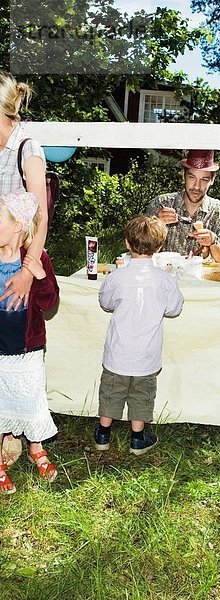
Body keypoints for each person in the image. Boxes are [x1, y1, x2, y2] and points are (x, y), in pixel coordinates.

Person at [94, 215, 184, 455]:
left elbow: (105, 302)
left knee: (111, 394)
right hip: (146, 357)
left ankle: (103, 434)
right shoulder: (165, 280)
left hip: (117, 354)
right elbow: (175, 309)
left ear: (127, 243)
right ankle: (137, 438)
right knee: (141, 397)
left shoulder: (116, 277)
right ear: (159, 247)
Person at [0, 71, 48, 465]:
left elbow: (40, 215)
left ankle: (24, 430)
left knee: (21, 344)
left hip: (21, 254)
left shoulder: (26, 147)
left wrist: (28, 269)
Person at [0, 191, 59, 494]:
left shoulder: (37, 259)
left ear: (18, 226)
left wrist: (41, 278)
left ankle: (36, 447)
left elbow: (50, 304)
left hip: (27, 350)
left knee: (32, 398)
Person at [146, 149, 220, 262]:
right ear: (183, 176)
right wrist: (156, 224)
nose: (196, 186)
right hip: (163, 275)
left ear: (212, 180)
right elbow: (140, 249)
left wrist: (213, 241)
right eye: (192, 177)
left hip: (200, 277)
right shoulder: (161, 203)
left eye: (204, 180)